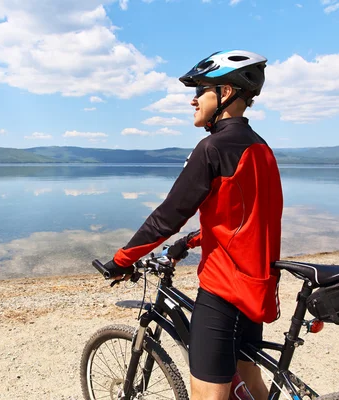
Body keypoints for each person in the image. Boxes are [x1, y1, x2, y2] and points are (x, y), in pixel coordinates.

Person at [103, 50, 283, 400]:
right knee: (248, 378)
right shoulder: (261, 148)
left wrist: (121, 260)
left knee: (207, 394)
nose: (193, 99)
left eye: (201, 90)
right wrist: (192, 242)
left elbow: (167, 216)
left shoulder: (212, 148)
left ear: (226, 93)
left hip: (225, 290)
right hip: (255, 287)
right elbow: (245, 219)